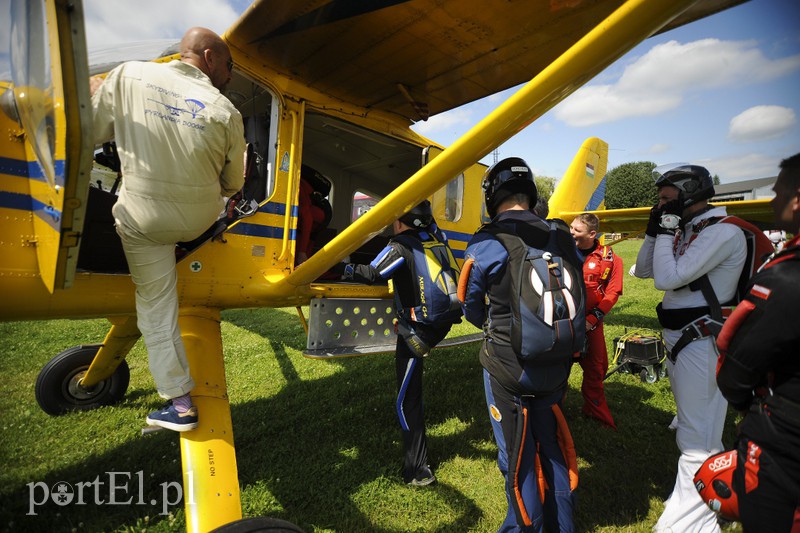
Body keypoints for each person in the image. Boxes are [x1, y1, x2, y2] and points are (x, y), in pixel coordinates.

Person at [91, 27, 245, 431]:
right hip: (198, 221)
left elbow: (89, 132)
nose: (229, 75)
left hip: (143, 222)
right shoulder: (226, 110)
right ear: (209, 57)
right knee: (177, 239)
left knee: (156, 308)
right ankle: (181, 250)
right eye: (229, 66)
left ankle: (180, 404)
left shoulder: (127, 77)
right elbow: (233, 183)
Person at [459, 157, 582, 532]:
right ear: (530, 195)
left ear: (492, 197)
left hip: (509, 370)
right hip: (558, 364)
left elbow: (469, 306)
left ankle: (522, 528)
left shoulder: (486, 241)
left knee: (518, 460)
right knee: (555, 451)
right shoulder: (562, 235)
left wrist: (494, 324)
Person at [634, 163, 746, 532]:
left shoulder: (722, 232)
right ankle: (695, 502)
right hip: (686, 339)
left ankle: (696, 520)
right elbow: (646, 269)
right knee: (698, 431)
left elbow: (668, 277)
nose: (661, 207)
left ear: (690, 195)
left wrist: (667, 229)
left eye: (667, 200)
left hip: (701, 339)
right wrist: (656, 231)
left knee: (697, 438)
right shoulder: (693, 227)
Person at [337, 200, 461, 486]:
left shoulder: (401, 244)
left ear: (398, 221)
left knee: (408, 400)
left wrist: (340, 267)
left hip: (417, 332)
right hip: (439, 324)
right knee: (411, 394)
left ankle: (418, 470)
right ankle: (417, 465)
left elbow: (373, 274)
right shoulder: (433, 239)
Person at [714, 153, 800, 531]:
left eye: (779, 192)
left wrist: (748, 407)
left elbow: (735, 364)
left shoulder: (785, 277)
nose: (773, 200)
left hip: (782, 440)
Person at [570, 213, 623, 430]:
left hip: (591, 323)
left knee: (596, 369)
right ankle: (552, 412)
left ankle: (595, 412)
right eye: (570, 228)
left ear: (593, 234)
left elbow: (613, 293)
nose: (571, 233)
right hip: (563, 321)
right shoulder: (560, 253)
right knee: (556, 368)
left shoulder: (611, 260)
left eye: (576, 230)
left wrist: (593, 319)